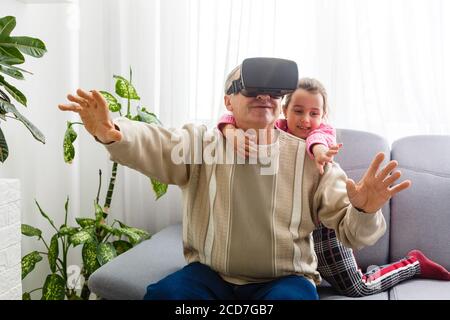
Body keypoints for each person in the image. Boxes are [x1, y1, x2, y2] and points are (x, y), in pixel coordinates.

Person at [58, 59, 411, 300]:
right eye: (251, 89)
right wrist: (113, 132)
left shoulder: (307, 156)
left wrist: (364, 208)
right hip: (208, 278)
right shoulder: (202, 143)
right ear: (228, 99)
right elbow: (160, 145)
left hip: (284, 280)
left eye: (273, 92)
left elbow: (354, 231)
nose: (264, 96)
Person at [216, 77, 450, 297]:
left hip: (324, 228)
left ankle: (413, 263)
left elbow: (318, 142)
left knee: (359, 288)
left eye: (314, 113)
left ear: (323, 116)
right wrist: (230, 131)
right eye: (298, 111)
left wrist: (318, 152)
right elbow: (230, 118)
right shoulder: (272, 130)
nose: (305, 120)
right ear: (284, 110)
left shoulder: (322, 134)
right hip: (285, 239)